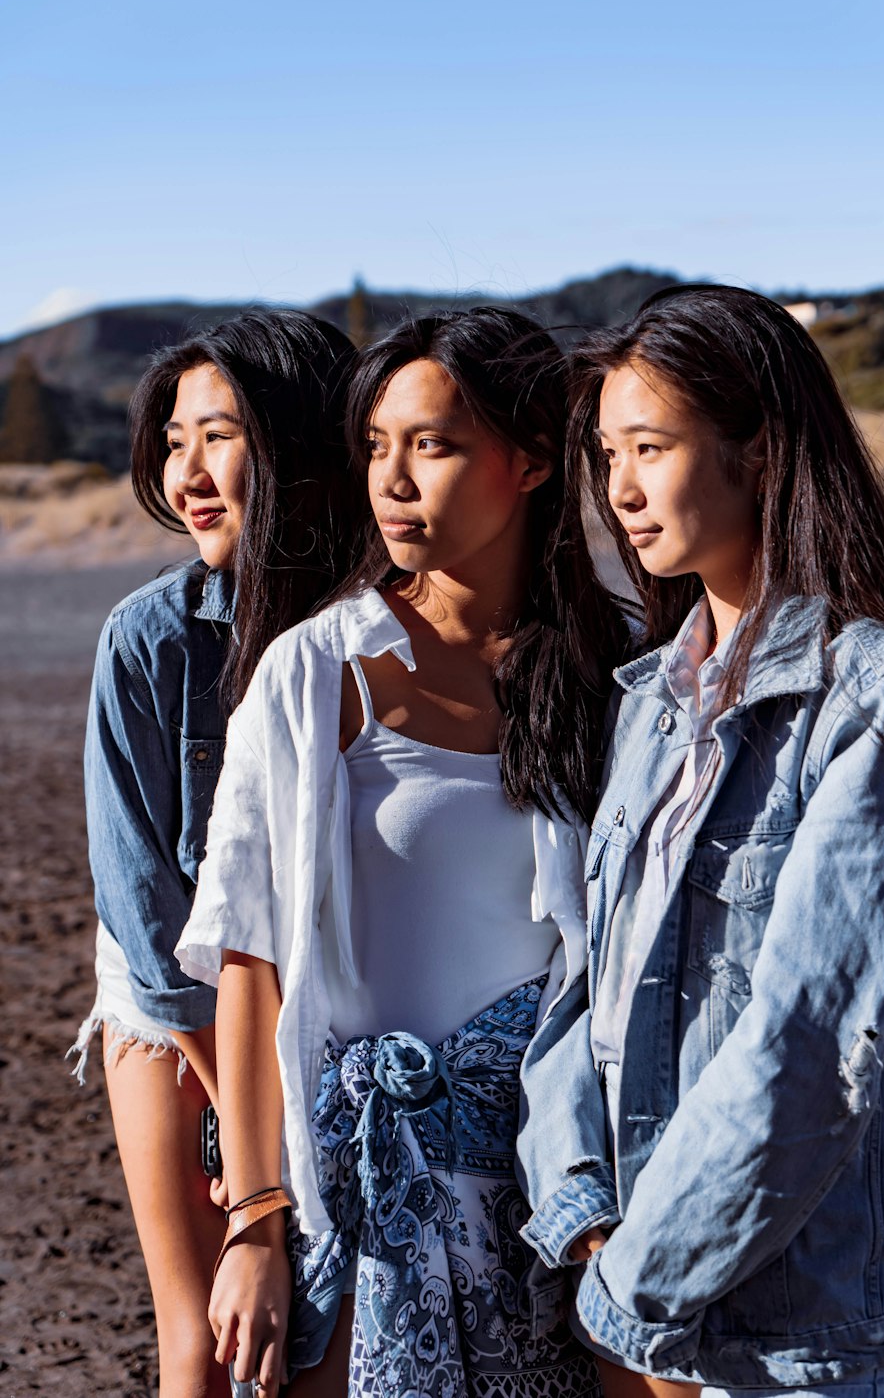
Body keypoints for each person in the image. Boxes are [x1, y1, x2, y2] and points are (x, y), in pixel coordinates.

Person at [516, 284, 884, 1398]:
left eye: (650, 446)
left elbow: (812, 1045)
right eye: (605, 453)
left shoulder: (868, 695)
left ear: (759, 452)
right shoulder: (647, 698)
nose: (619, 488)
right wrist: (588, 1214)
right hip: (640, 1286)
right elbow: (579, 987)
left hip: (794, 1327)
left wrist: (633, 1282)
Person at [176, 307, 631, 1397]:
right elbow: (249, 965)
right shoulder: (311, 678)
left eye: (431, 444)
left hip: (569, 1197)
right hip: (360, 1202)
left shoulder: (625, 677)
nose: (393, 479)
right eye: (375, 447)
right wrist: (254, 1221)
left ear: (527, 462)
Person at [71, 309, 359, 1398]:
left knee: (331, 1333)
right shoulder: (149, 640)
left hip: (336, 996)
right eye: (173, 439)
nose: (186, 472)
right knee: (206, 1336)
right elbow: (145, 912)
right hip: (177, 1000)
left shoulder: (377, 625)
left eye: (221, 436)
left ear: (300, 447)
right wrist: (250, 1155)